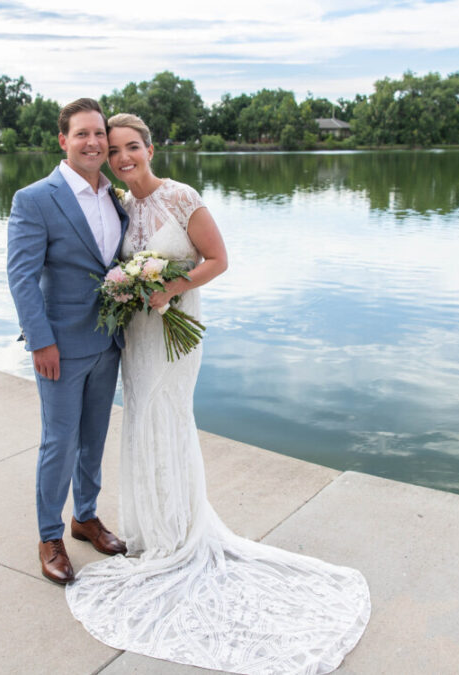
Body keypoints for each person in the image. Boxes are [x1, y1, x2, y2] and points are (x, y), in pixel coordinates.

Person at [64, 114, 371, 674]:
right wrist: (133, 289)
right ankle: (152, 529)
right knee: (142, 421)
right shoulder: (122, 207)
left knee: (169, 418)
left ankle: (181, 532)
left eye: (132, 147)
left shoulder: (181, 197)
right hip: (137, 335)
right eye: (114, 150)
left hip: (176, 329)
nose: (123, 157)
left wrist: (169, 290)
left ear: (150, 148)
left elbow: (218, 260)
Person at [7, 98, 130, 585]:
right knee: (59, 441)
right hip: (59, 345)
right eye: (82, 134)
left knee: (94, 438)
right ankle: (49, 535)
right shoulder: (35, 198)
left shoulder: (115, 197)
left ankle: (86, 517)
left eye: (99, 133)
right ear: (63, 140)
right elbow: (21, 277)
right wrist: (40, 341)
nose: (93, 142)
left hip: (109, 342)